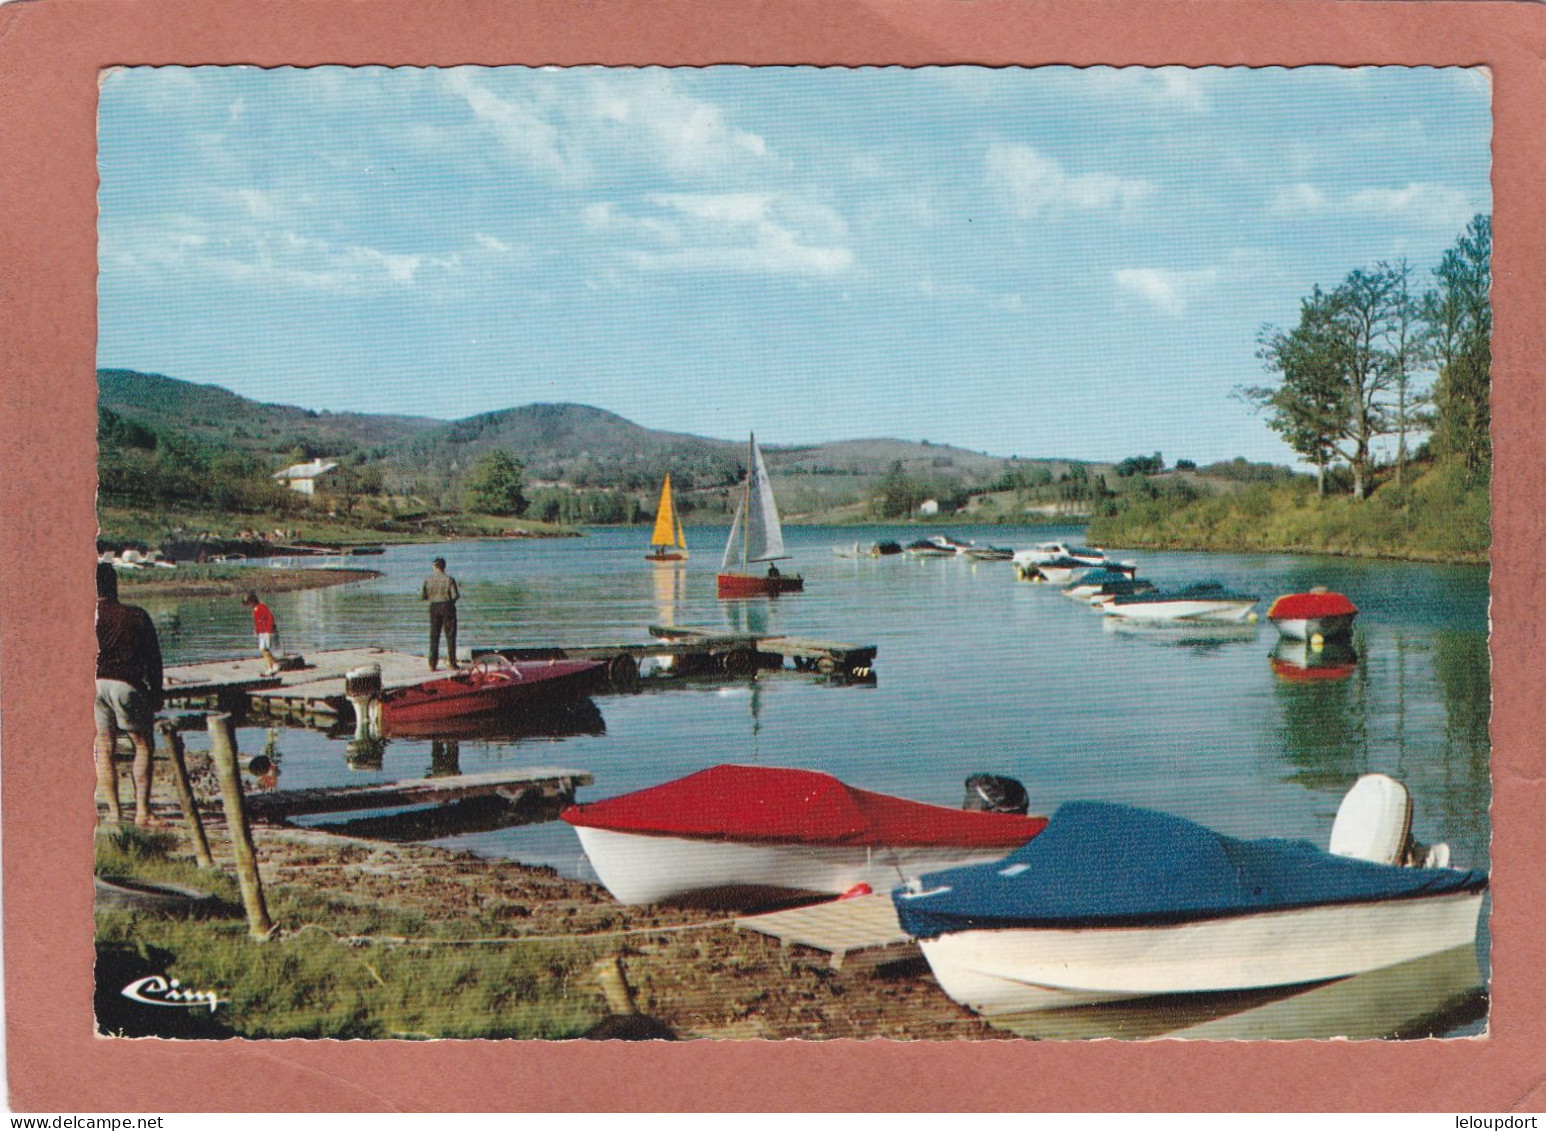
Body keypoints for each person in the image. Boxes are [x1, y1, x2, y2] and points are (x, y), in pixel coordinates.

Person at [94, 561, 164, 826]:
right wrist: (157, 692)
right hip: (126, 684)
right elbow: (153, 659)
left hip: (94, 685)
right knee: (143, 744)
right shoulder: (135, 615)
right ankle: (142, 812)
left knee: (105, 747)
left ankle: (114, 812)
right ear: (115, 585)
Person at [420, 557, 461, 671]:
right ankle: (452, 663)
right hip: (448, 606)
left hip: (434, 607)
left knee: (434, 636)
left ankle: (432, 664)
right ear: (444, 566)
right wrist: (450, 603)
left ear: (434, 567)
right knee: (450, 636)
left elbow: (423, 596)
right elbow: (455, 596)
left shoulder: (428, 580)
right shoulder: (449, 579)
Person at [242, 592, 282, 676]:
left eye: (249, 603)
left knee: (264, 649)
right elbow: (257, 621)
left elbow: (270, 617)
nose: (248, 606)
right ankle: (271, 666)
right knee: (263, 649)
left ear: (253, 601)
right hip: (261, 632)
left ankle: (273, 665)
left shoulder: (261, 607)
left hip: (267, 631)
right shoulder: (255, 609)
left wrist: (269, 629)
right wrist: (256, 629)